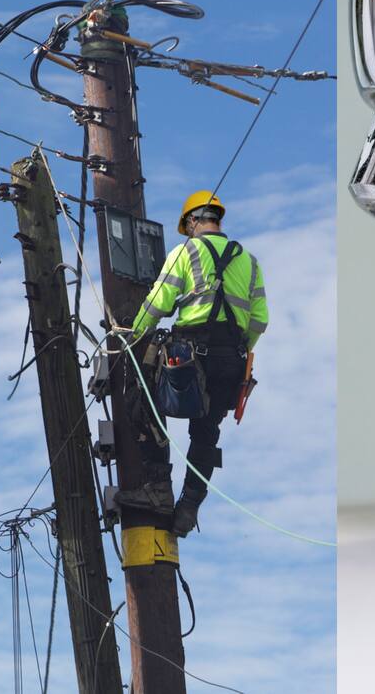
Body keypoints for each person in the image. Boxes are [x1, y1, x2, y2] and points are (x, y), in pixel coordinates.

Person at [116, 190, 269, 537]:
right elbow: (260, 319)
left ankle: (157, 488)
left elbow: (159, 301)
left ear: (192, 222)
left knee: (144, 402)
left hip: (188, 357)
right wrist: (240, 348)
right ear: (217, 219)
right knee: (206, 431)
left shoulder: (186, 252)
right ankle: (189, 506)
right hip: (231, 361)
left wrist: (131, 333)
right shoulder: (250, 261)